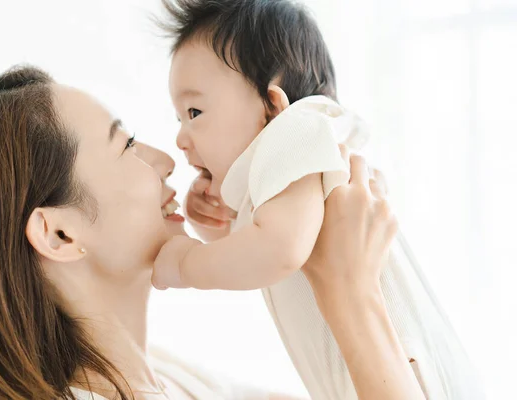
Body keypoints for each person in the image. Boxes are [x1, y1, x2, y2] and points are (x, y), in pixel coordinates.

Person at [0, 66, 424, 399]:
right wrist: (351, 295)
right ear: (60, 235)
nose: (164, 160)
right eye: (127, 146)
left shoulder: (159, 377)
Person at [152, 1, 484, 399]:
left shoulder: (299, 128)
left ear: (272, 106)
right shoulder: (282, 179)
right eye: (179, 118)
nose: (180, 138)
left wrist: (183, 264)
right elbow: (258, 256)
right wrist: (215, 225)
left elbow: (279, 250)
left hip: (415, 379)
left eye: (195, 111)